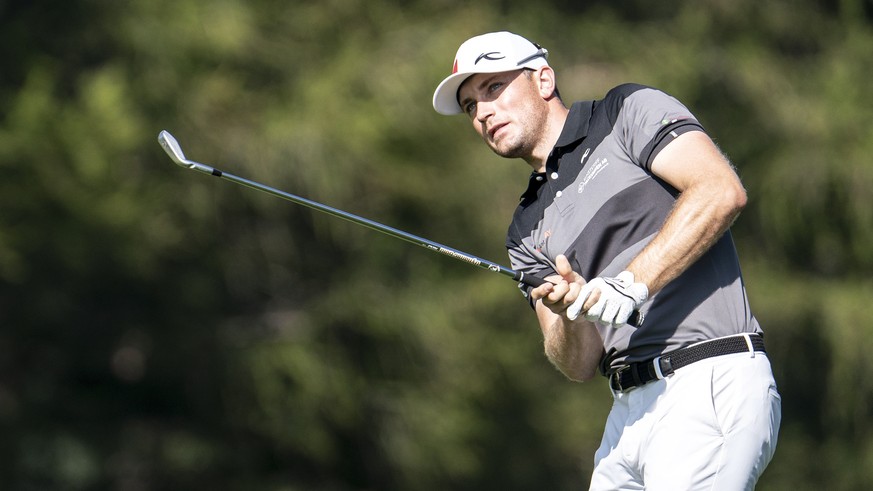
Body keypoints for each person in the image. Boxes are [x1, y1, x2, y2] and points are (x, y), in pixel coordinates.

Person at [432, 31, 781, 490]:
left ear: (542, 79)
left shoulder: (624, 112)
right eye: (471, 106)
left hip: (704, 378)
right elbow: (577, 363)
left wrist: (631, 282)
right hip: (628, 415)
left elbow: (720, 190)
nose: (483, 112)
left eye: (494, 88)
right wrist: (568, 312)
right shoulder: (524, 229)